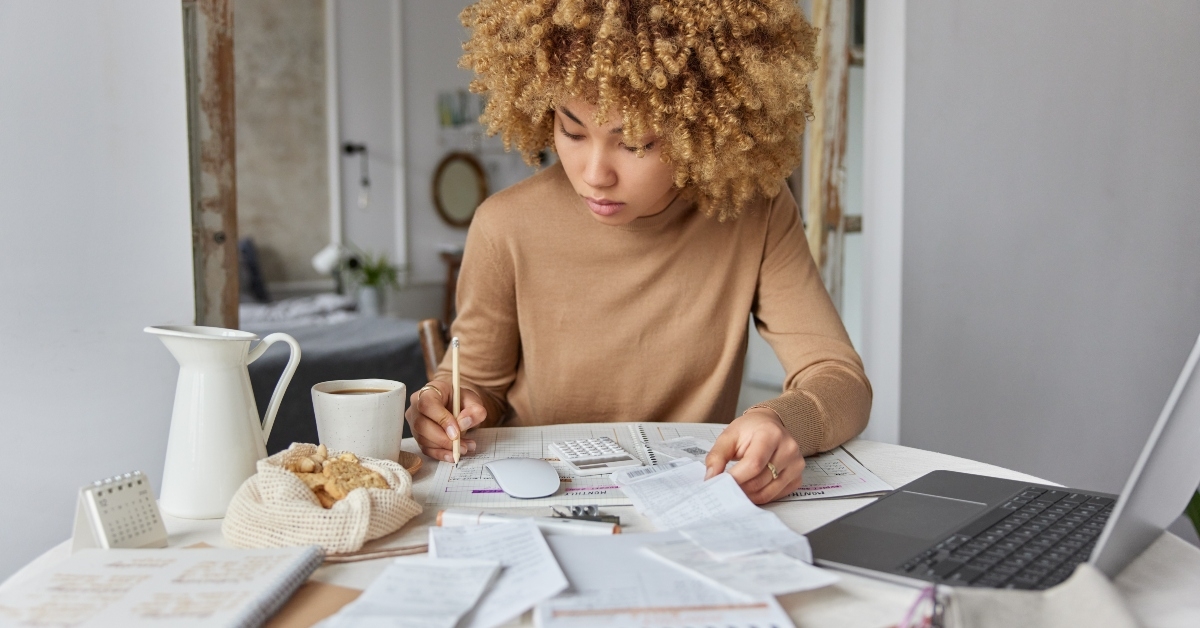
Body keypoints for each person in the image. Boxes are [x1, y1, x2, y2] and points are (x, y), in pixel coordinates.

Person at [405, 0, 871, 504]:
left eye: (636, 144)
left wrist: (782, 420)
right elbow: (477, 386)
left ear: (705, 125)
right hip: (537, 501)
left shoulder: (753, 212)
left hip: (694, 501)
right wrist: (449, 407)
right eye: (572, 131)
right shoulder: (505, 226)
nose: (594, 174)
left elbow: (839, 378)